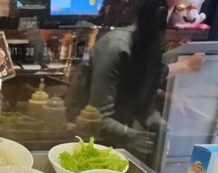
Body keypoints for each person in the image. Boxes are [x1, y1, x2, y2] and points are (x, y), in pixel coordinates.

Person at [79, 0, 204, 160]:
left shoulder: (145, 44)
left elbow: (140, 97)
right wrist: (135, 137)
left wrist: (163, 130)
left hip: (115, 140)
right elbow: (96, 118)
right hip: (87, 141)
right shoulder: (116, 46)